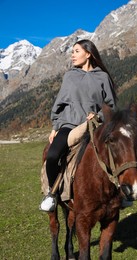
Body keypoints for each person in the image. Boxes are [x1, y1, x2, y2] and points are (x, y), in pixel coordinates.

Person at [39, 39, 117, 212]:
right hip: (69, 125)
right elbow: (60, 103)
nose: (72, 55)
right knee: (52, 156)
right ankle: (51, 194)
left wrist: (98, 115)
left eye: (76, 51)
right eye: (72, 51)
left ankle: (121, 192)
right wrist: (55, 127)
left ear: (88, 54)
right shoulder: (70, 76)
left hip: (95, 125)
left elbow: (111, 105)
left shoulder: (102, 77)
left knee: (119, 151)